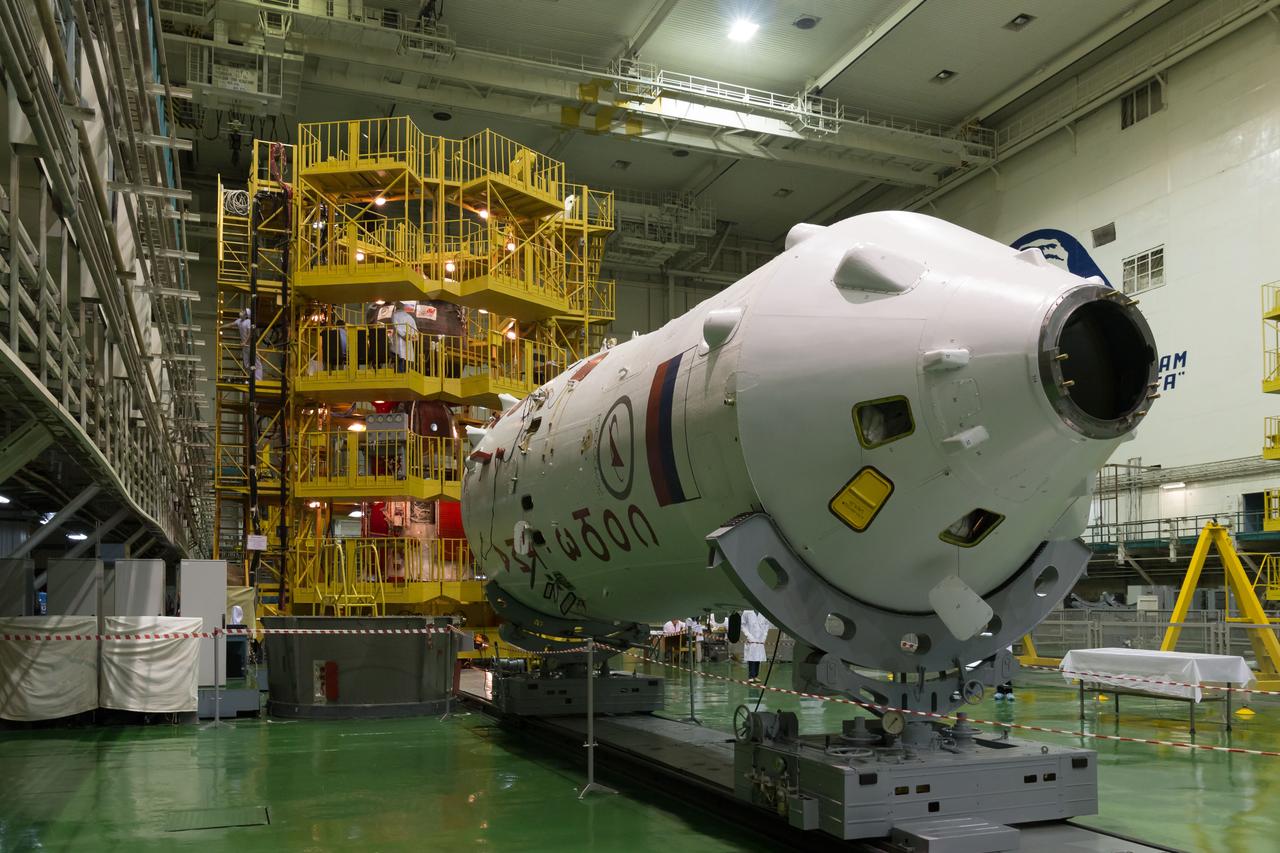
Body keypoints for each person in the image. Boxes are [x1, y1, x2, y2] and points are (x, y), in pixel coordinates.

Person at [740, 610, 771, 682]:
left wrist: (764, 636)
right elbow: (742, 624)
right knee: (751, 657)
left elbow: (766, 624)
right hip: (751, 637)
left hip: (760, 638)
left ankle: (756, 676)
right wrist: (748, 635)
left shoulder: (763, 611)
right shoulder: (747, 611)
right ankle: (751, 676)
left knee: (758, 657)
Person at [390, 303, 417, 373]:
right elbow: (415, 332)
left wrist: (403, 335)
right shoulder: (410, 317)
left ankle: (399, 374)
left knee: (399, 358)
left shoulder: (394, 315)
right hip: (407, 342)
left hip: (398, 341)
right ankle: (405, 373)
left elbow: (396, 327)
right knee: (406, 359)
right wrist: (409, 336)